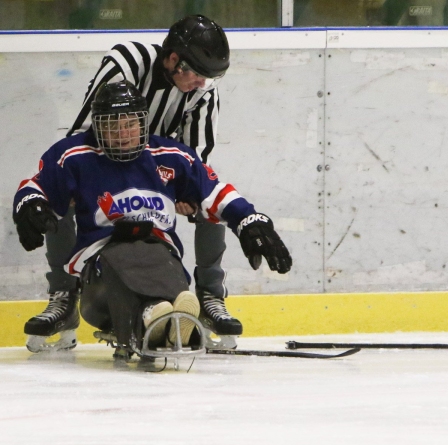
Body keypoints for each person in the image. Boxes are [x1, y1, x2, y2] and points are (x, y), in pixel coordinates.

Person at [13, 81, 292, 359]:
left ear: (144, 122)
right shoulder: (74, 155)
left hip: (159, 251)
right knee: (124, 260)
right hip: (101, 260)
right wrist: (30, 204)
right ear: (97, 127)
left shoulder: (171, 155)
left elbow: (216, 193)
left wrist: (251, 221)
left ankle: (172, 315)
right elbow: (35, 187)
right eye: (111, 125)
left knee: (162, 260)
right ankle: (155, 316)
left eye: (130, 124)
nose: (122, 134)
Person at [24, 14, 241, 352]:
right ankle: (64, 294)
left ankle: (209, 296)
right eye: (197, 74)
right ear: (172, 60)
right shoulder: (126, 62)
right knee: (60, 193)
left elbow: (197, 165)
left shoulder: (203, 92)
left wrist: (189, 194)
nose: (202, 83)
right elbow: (86, 135)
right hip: (105, 161)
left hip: (159, 172)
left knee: (213, 201)